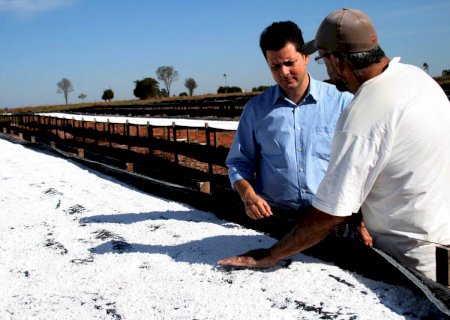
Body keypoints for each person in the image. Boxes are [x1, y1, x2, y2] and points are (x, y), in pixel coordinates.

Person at [219, 8, 450, 282]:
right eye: (275, 66)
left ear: (338, 61)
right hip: (440, 238)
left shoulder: (364, 109)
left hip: (412, 256)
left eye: (322, 60)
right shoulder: (416, 79)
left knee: (427, 304)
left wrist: (270, 255)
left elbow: (332, 211)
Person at [225, 21, 357, 240]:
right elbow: (238, 163)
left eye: (289, 62)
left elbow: (360, 164)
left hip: (330, 222)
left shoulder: (342, 103)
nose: (284, 72)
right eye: (275, 67)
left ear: (305, 56)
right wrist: (248, 195)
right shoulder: (255, 111)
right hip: (274, 224)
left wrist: (361, 219)